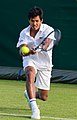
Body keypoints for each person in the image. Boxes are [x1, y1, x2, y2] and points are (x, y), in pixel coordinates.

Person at [16, 6, 56, 119]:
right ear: (29, 20)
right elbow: (21, 50)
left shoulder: (49, 30)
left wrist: (41, 47)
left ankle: (28, 94)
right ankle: (34, 109)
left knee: (44, 96)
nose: (35, 23)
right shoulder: (24, 33)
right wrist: (27, 52)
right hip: (31, 60)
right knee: (29, 73)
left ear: (41, 20)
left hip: (45, 63)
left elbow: (47, 44)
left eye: (37, 21)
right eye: (32, 21)